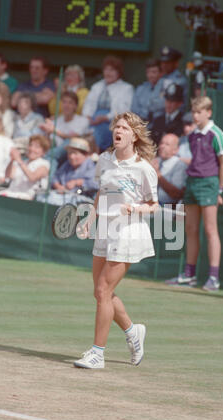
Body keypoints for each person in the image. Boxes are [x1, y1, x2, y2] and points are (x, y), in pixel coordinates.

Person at [73, 112, 158, 369]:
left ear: (134, 136)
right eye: (116, 127)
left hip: (128, 232)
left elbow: (154, 206)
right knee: (101, 294)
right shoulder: (104, 160)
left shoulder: (143, 168)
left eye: (124, 128)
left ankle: (98, 353)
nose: (118, 131)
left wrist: (136, 208)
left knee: (103, 291)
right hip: (104, 229)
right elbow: (101, 190)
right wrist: (91, 217)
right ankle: (133, 332)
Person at [173, 96, 223, 292]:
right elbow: (197, 161)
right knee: (190, 228)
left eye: (199, 112)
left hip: (209, 184)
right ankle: (189, 274)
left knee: (210, 230)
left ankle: (213, 277)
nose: (195, 116)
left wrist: (219, 190)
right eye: (194, 112)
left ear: (208, 112)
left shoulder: (217, 134)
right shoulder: (192, 135)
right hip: (192, 183)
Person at [82, 55, 134, 152]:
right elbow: (88, 106)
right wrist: (89, 118)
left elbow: (124, 111)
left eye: (112, 70)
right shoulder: (97, 86)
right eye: (106, 70)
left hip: (111, 123)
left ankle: (92, 156)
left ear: (119, 73)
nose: (108, 73)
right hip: (92, 121)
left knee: (94, 135)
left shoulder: (126, 88)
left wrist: (105, 117)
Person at [40, 137, 98, 206]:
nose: (71, 157)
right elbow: (55, 177)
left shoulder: (91, 166)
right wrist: (58, 186)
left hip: (83, 202)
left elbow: (96, 184)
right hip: (63, 197)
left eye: (75, 153)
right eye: (69, 153)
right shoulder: (67, 164)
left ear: (85, 154)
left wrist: (77, 182)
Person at [0, 135, 50, 201]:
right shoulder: (23, 162)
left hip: (28, 198)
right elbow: (8, 175)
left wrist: (19, 160)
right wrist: (12, 160)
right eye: (31, 145)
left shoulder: (44, 164)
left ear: (44, 152)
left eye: (37, 147)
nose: (32, 149)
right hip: (12, 193)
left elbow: (32, 177)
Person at [151, 133, 187, 206]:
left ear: (176, 150)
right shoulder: (155, 161)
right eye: (161, 143)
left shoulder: (180, 165)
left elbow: (176, 194)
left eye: (167, 144)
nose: (162, 146)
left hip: (171, 208)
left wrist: (157, 174)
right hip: (153, 206)